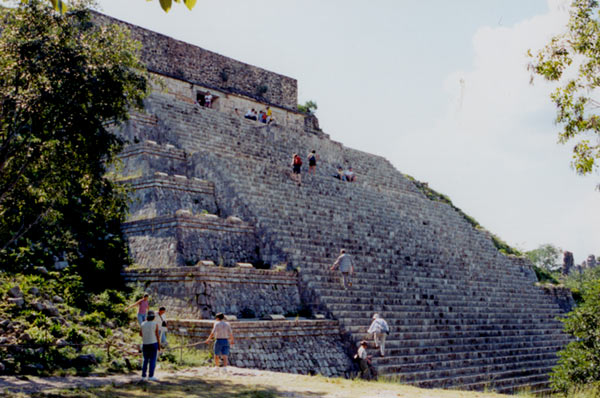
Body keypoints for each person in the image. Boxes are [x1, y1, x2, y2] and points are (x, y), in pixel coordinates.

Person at [140, 310, 161, 381]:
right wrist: (159, 345)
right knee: (152, 360)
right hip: (153, 343)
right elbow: (157, 335)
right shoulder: (155, 324)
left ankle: (143, 375)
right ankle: (151, 375)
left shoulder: (143, 324)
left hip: (145, 343)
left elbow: (140, 334)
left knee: (145, 360)